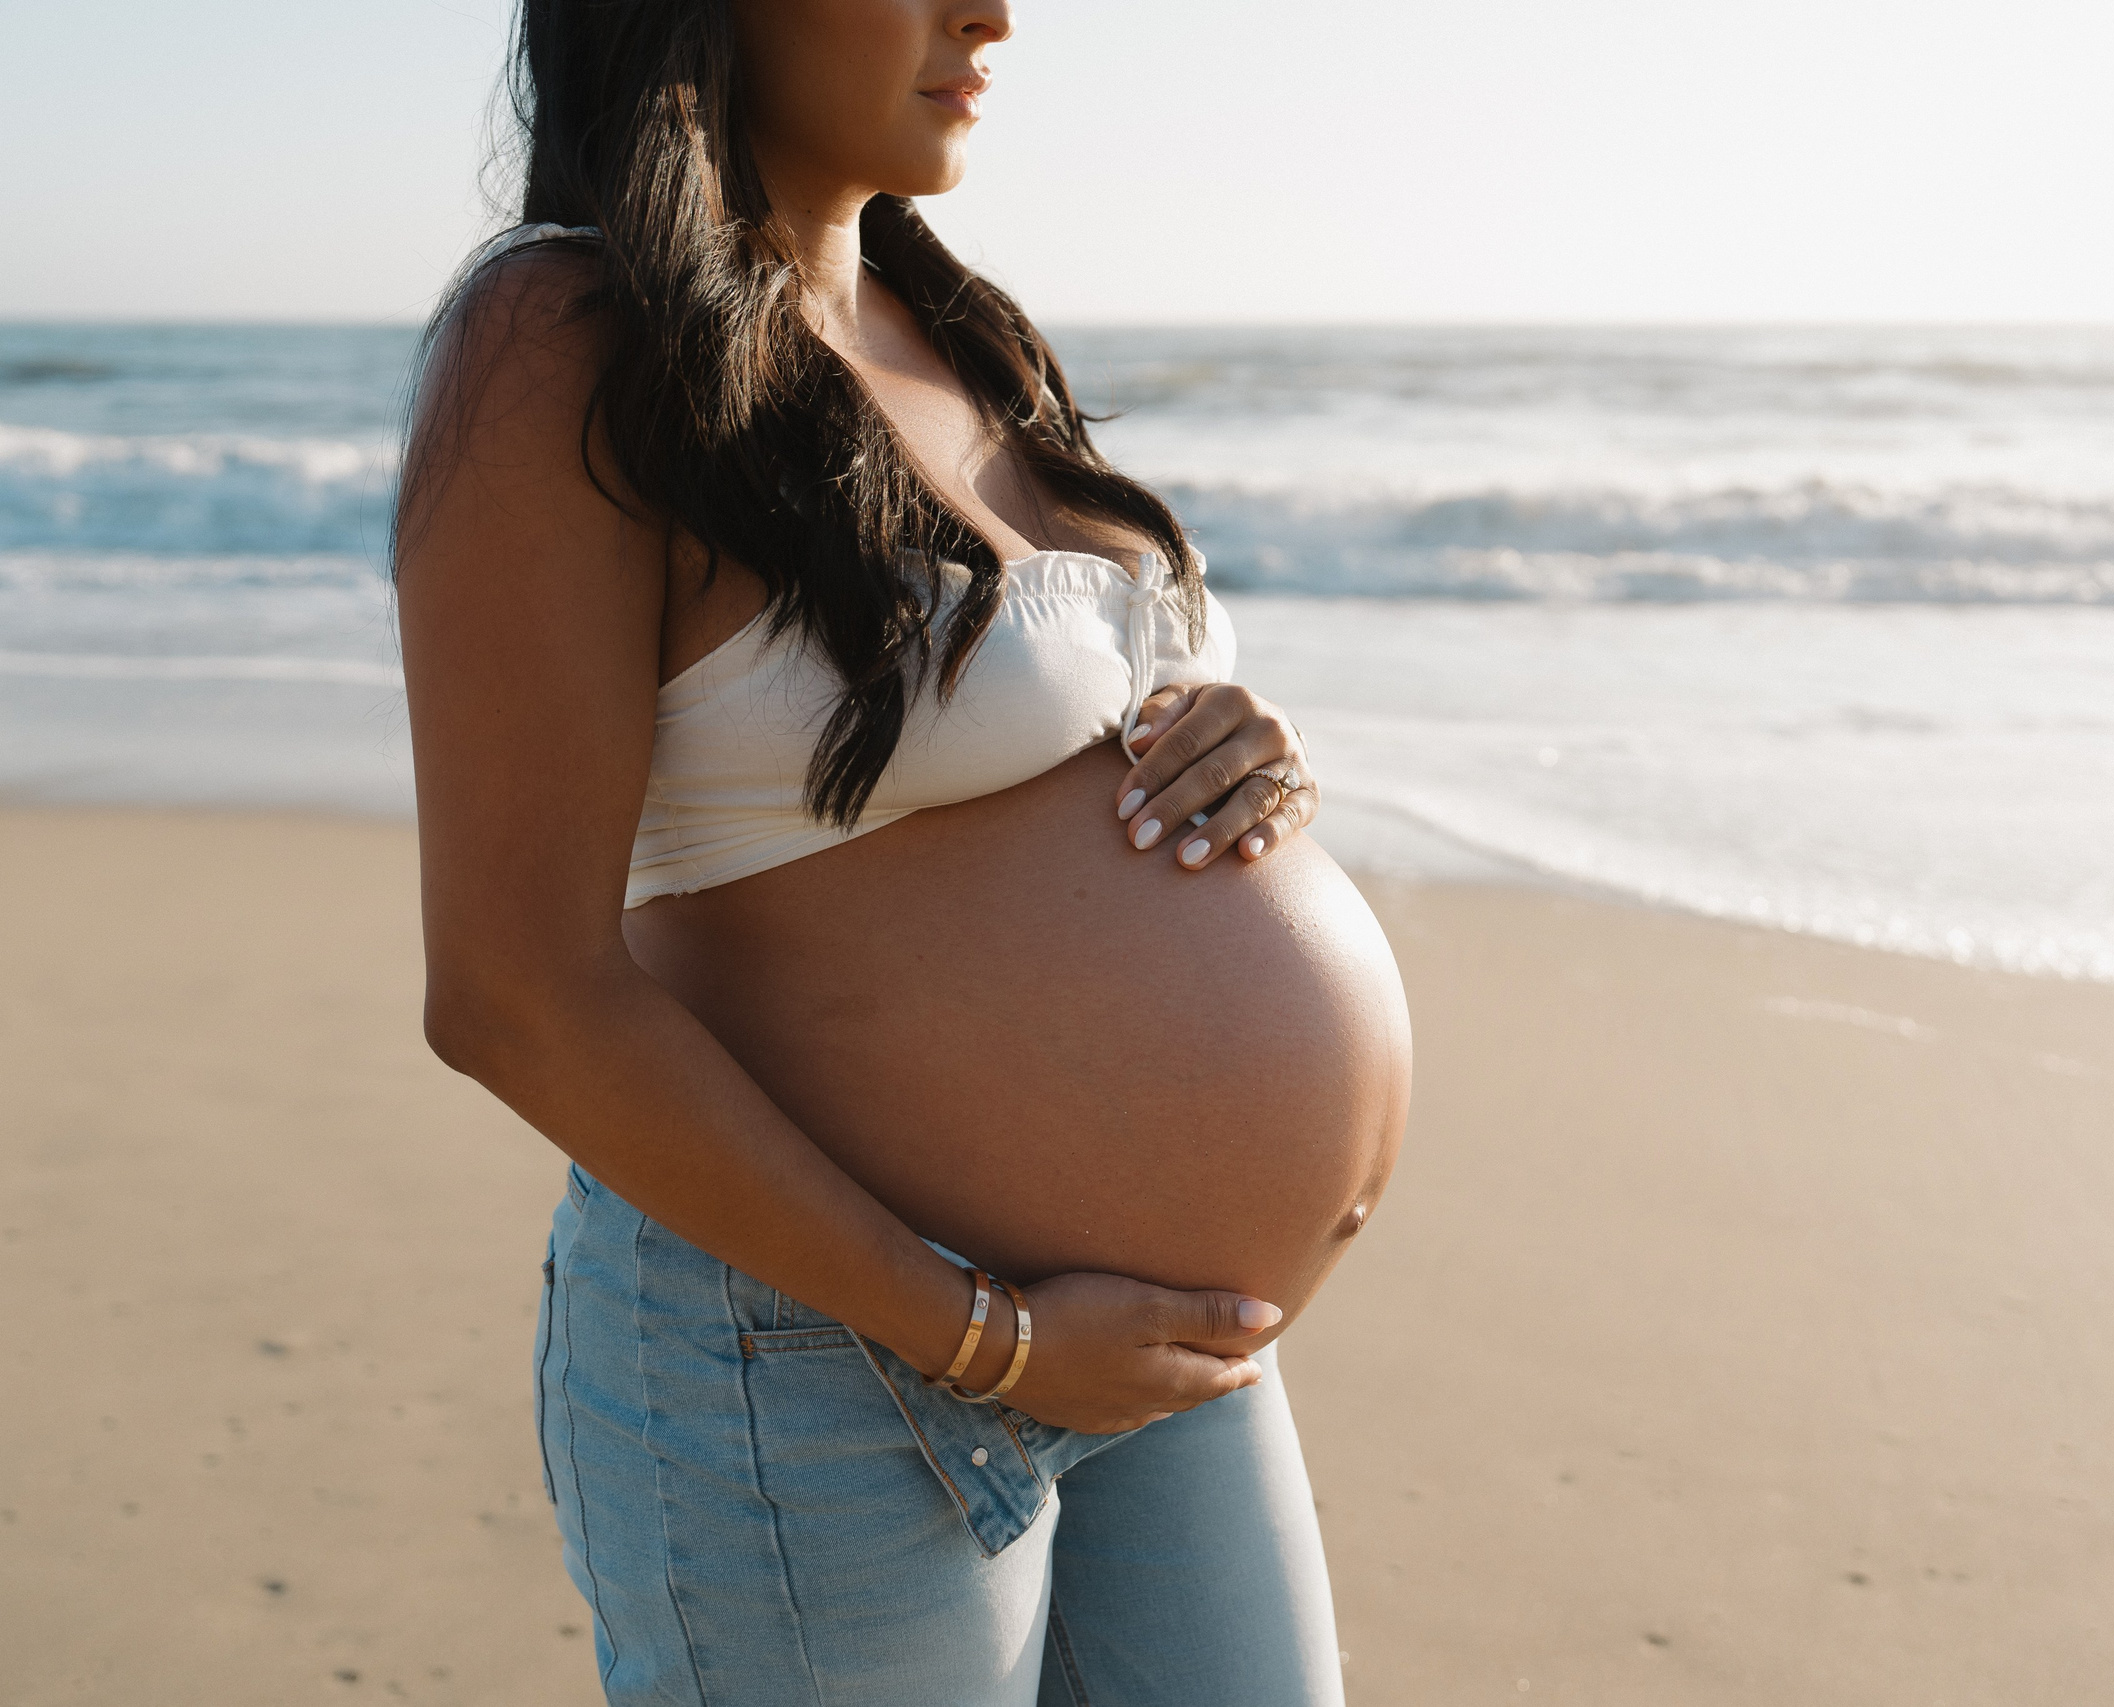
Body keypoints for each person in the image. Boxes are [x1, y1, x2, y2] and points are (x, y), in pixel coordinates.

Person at [394, 1, 1411, 1701]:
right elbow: (512, 992)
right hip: (825, 1354)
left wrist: (1253, 743)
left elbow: (1051, 727)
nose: (994, 10)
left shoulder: (957, 331)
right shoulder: (568, 337)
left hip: (1155, 1352)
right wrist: (984, 1336)